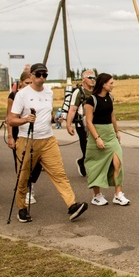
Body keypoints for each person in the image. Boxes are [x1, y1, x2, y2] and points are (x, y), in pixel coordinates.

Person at [8, 63, 88, 223]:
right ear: (30, 76)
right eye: (38, 74)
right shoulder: (21, 94)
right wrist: (25, 119)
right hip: (27, 140)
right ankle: (21, 208)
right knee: (23, 176)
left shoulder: (49, 92)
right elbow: (11, 120)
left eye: (45, 75)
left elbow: (47, 114)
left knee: (59, 173)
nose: (42, 78)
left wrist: (54, 119)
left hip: (48, 140)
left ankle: (72, 205)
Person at [84, 73, 127, 206]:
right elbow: (89, 121)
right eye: (111, 83)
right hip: (97, 133)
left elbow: (112, 115)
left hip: (110, 134)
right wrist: (97, 138)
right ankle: (96, 195)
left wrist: (116, 131)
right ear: (103, 84)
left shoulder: (110, 97)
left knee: (117, 162)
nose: (113, 85)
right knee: (97, 165)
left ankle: (118, 194)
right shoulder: (91, 100)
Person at [6, 71, 42, 204]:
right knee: (22, 162)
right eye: (26, 83)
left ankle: (30, 183)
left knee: (37, 162)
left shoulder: (38, 93)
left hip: (35, 132)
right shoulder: (15, 95)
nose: (29, 85)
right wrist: (10, 136)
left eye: (30, 83)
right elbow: (9, 118)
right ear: (21, 82)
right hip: (18, 132)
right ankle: (24, 189)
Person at [66, 69, 95, 177]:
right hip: (82, 125)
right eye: (90, 78)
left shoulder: (96, 91)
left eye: (94, 78)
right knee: (87, 148)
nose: (93, 80)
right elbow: (72, 109)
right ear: (83, 79)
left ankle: (92, 167)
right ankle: (83, 162)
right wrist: (68, 125)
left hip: (95, 123)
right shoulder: (78, 92)